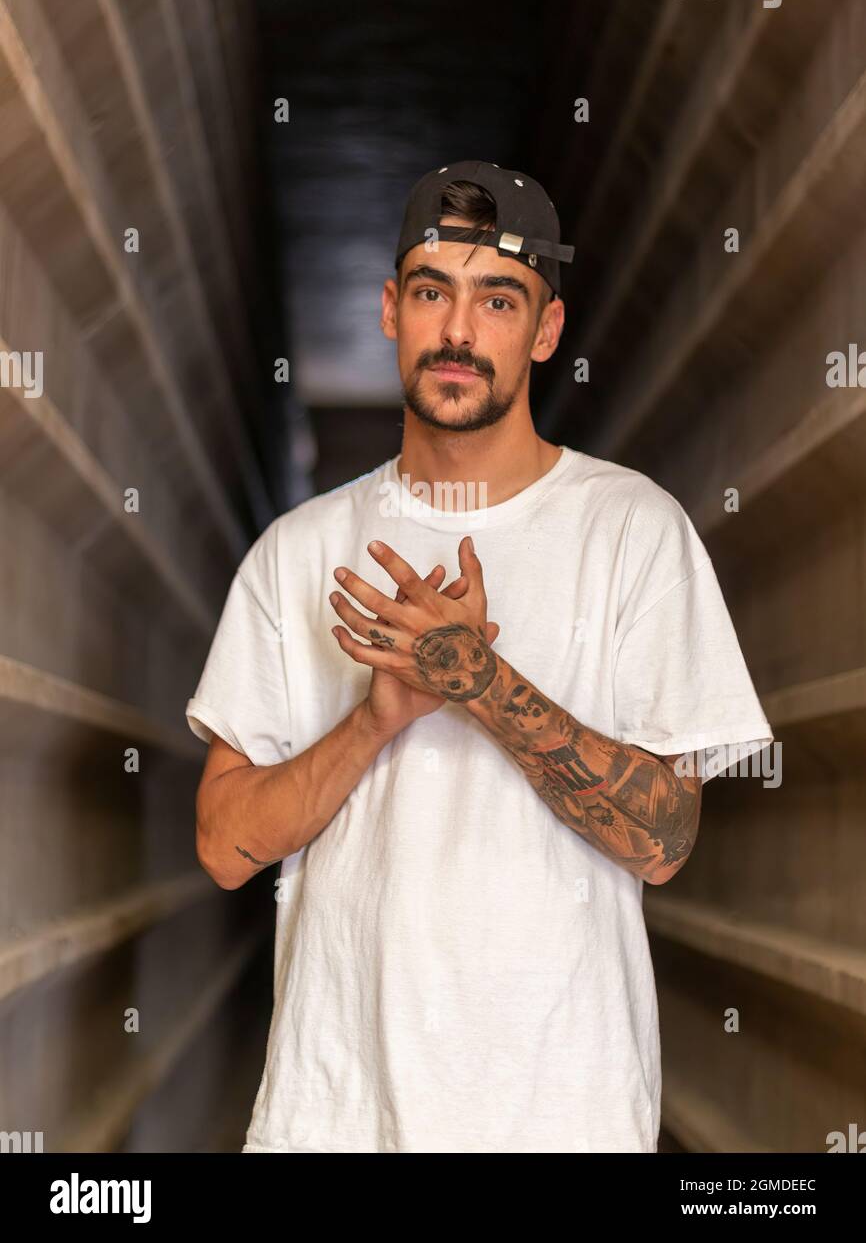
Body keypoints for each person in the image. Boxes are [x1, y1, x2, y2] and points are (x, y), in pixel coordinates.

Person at [186, 159, 773, 1153]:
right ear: (388, 310)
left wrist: (482, 684)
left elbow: (664, 839)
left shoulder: (632, 531)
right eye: (431, 292)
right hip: (335, 1120)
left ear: (544, 330)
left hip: (559, 1123)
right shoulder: (296, 552)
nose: (458, 331)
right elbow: (223, 845)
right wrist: (379, 716)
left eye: (496, 298)